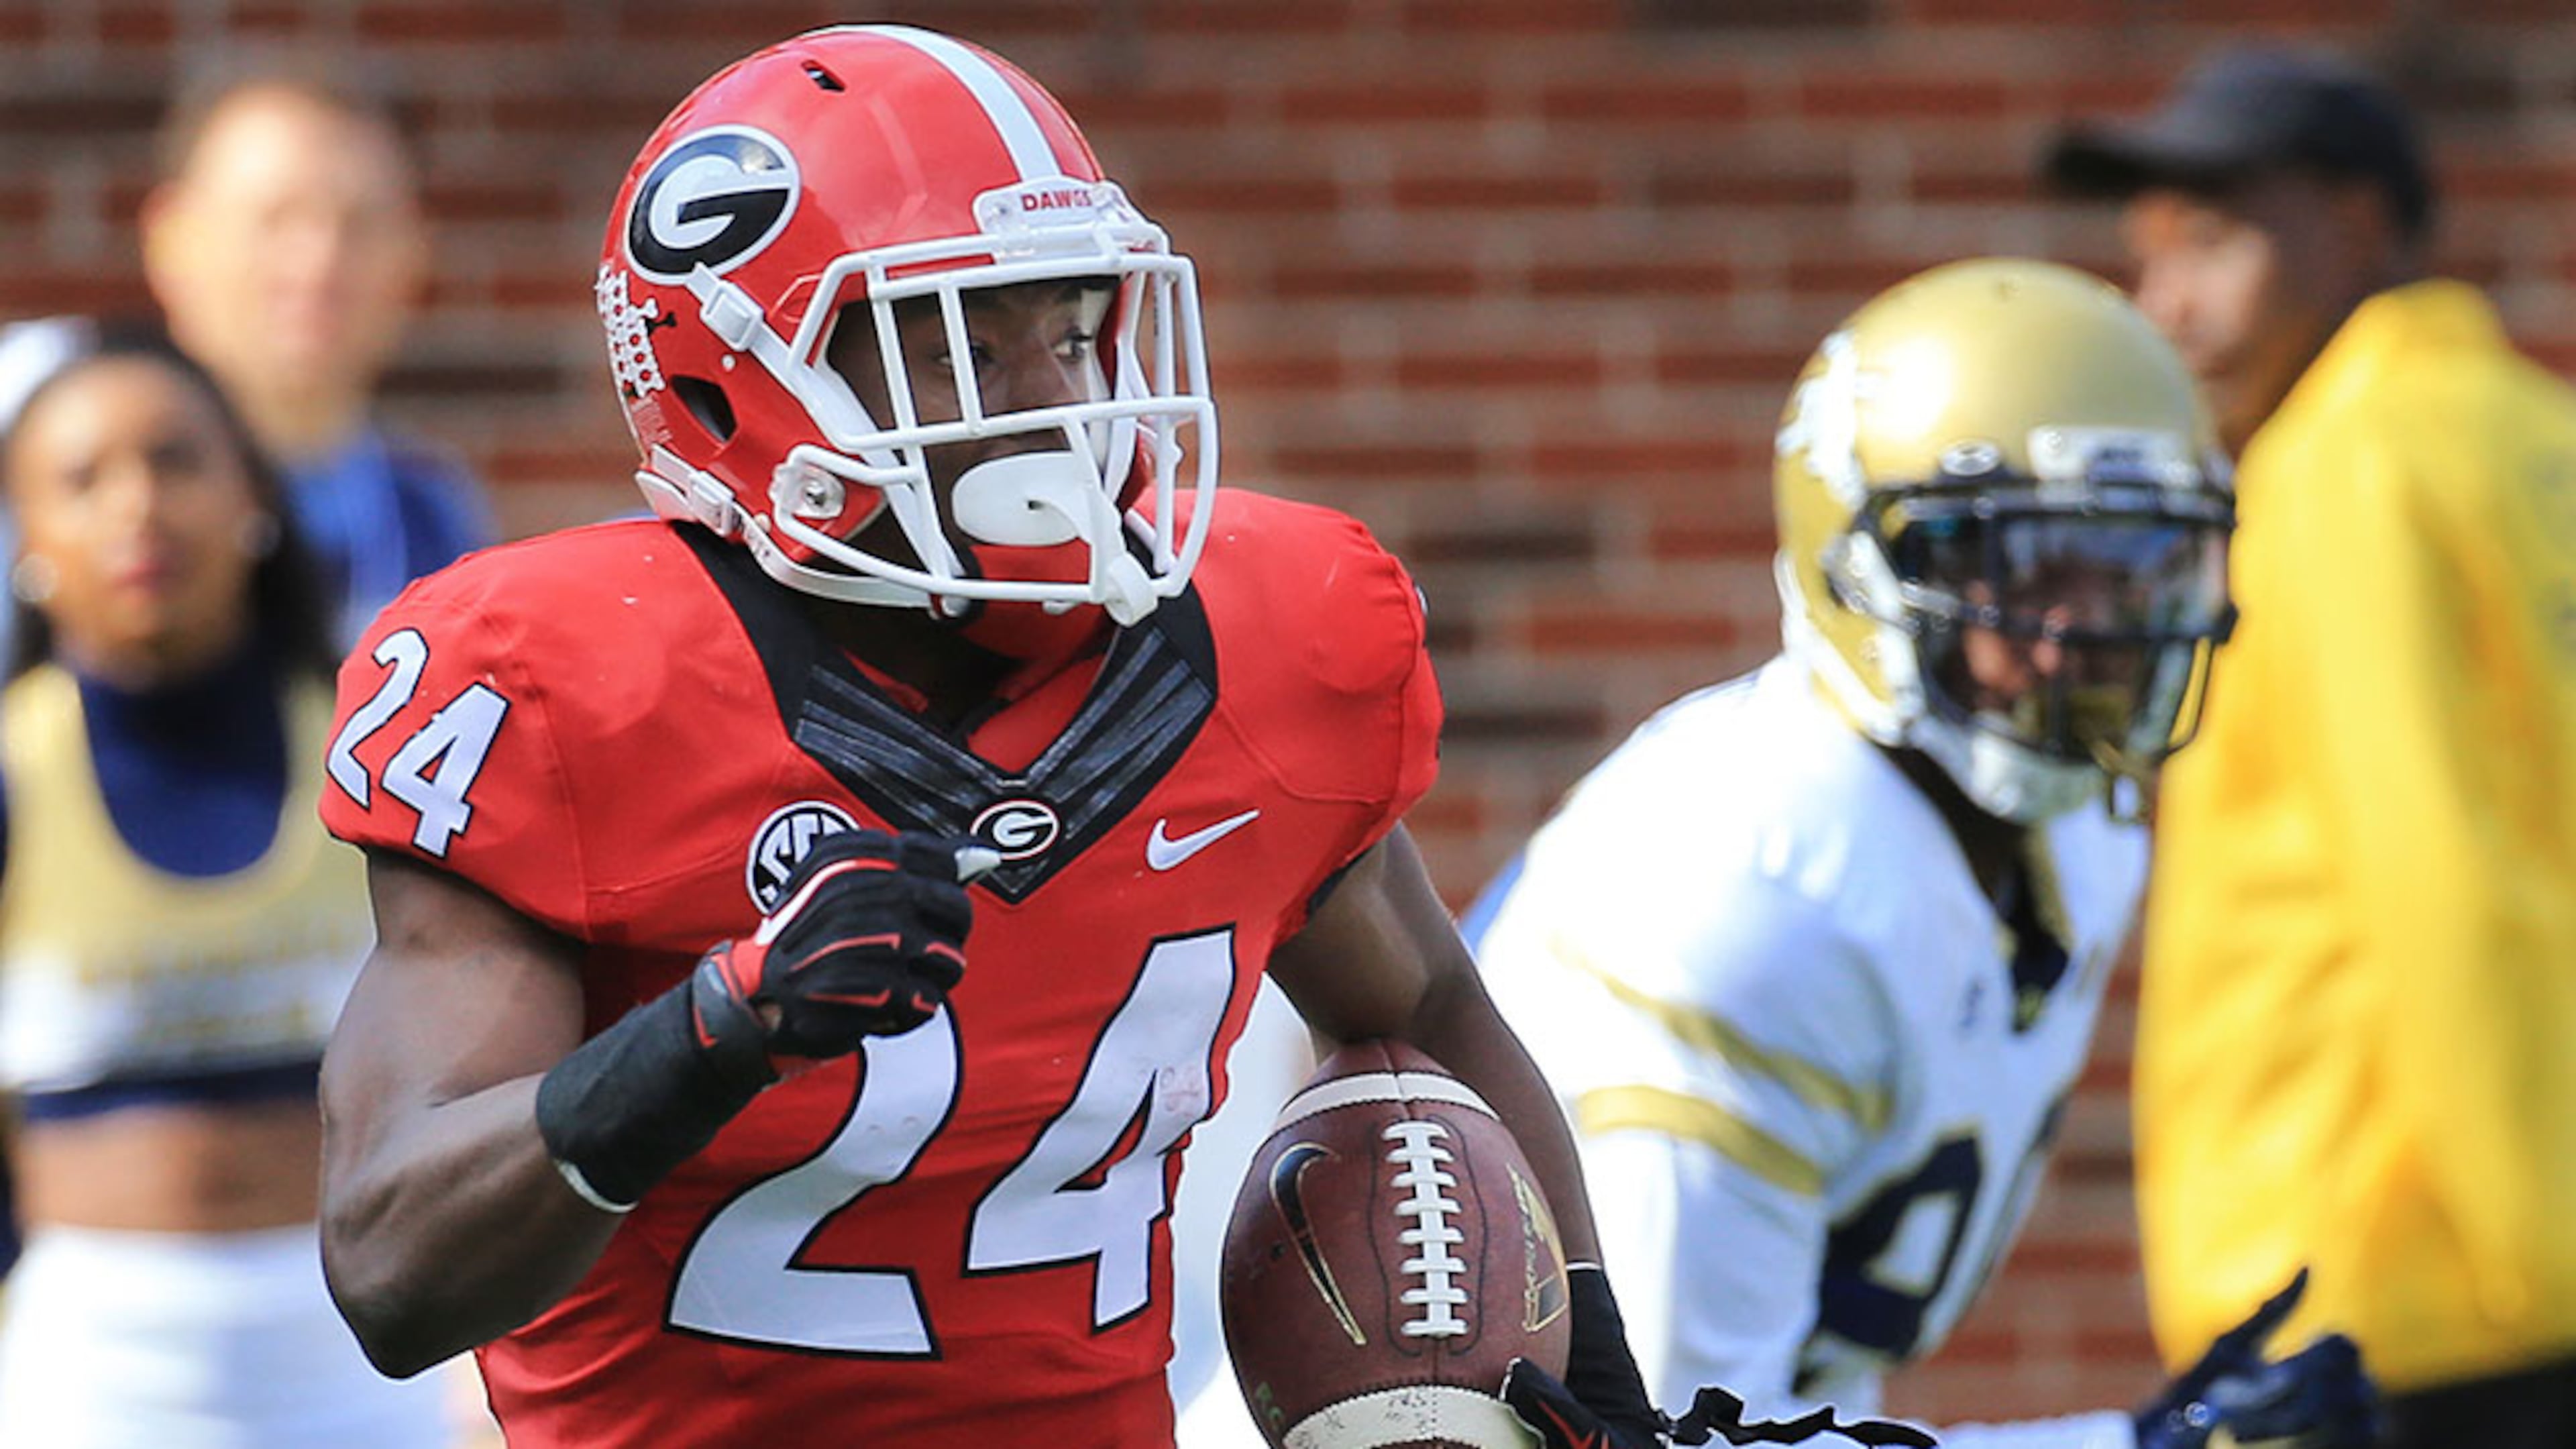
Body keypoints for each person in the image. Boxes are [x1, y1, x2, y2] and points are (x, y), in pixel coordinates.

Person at [307, 25, 1766, 1449]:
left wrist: (1603, 1376)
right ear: (724, 382)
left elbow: (1429, 1014)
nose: (1061, 405)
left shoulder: (1260, 642)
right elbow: (390, 1267)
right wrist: (713, 1034)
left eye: (1072, 330)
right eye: (966, 350)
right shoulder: (556, 690)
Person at [1464, 258, 2383, 1448]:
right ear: (1871, 568)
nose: (2081, 641)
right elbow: (1668, 1439)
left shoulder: (2071, 832)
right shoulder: (1747, 901)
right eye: (2022, 570)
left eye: (2131, 573)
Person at [2042, 44, 2576, 1448]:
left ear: (2354, 221)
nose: (2167, 307)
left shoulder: (2335, 464)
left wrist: (2542, 1254)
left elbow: (2439, 864)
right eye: (2145, 261)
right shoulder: (2536, 435)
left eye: (2210, 245)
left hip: (2403, 1280)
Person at [0, 320, 449, 1446]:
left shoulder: (384, 751)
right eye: (82, 478)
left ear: (253, 494)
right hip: (85, 1364)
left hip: (372, 1339)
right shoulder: (12, 769)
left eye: (176, 460)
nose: (137, 507)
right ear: (27, 538)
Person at [140, 58, 492, 650]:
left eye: (359, 224)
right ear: (171, 240)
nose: (319, 263)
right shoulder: (62, 504)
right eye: (275, 219)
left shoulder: (432, 509)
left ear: (414, 253)